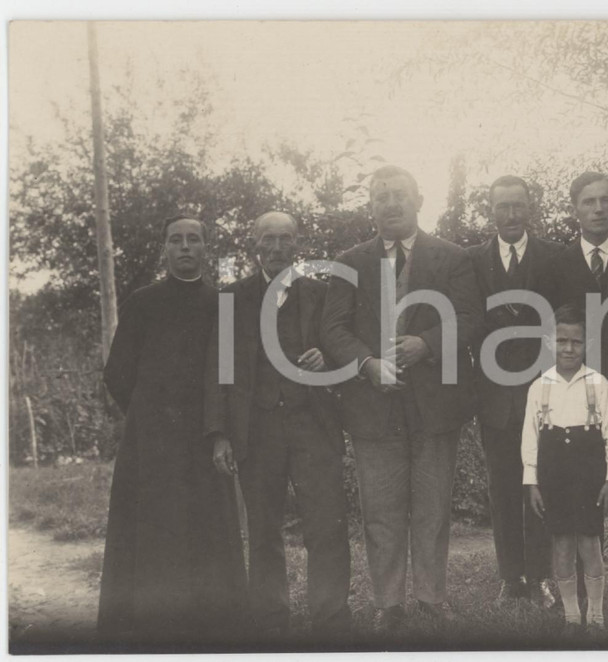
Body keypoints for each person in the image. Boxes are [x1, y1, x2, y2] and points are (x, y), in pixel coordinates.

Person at [321, 165, 484, 632]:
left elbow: (472, 317)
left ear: (418, 201)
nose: (389, 204)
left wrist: (426, 344)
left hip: (436, 405)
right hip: (373, 405)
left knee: (433, 507)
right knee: (382, 510)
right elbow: (333, 327)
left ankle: (432, 598)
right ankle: (388, 603)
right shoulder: (350, 262)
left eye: (398, 195)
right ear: (370, 206)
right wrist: (368, 365)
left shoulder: (451, 257)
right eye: (380, 197)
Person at [204, 211, 351, 642]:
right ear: (255, 243)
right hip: (257, 430)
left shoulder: (321, 294)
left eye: (285, 238)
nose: (276, 247)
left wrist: (328, 357)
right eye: (267, 238)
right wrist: (219, 434)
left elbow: (343, 344)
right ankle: (271, 620)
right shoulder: (232, 298)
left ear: (297, 242)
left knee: (326, 526)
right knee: (264, 530)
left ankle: (331, 620)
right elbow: (218, 370)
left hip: (314, 425)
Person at [98, 215, 245, 647]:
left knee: (206, 530)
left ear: (205, 248)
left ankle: (210, 631)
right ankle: (149, 630)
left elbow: (231, 374)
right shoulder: (144, 302)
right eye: (176, 240)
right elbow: (117, 373)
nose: (184, 247)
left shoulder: (223, 304)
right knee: (153, 529)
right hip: (151, 443)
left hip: (205, 438)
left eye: (193, 240)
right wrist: (149, 416)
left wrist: (216, 428)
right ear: (165, 248)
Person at [545, 171, 608, 611]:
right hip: (573, 391)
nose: (599, 209)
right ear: (575, 210)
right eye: (589, 202)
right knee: (576, 484)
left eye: (606, 200)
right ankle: (582, 585)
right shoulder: (558, 263)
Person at [467, 175, 562, 608]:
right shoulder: (472, 261)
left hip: (544, 391)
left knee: (541, 483)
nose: (510, 214)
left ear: (529, 208)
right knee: (502, 486)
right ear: (491, 210)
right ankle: (511, 577)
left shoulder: (553, 258)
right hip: (494, 396)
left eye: (517, 206)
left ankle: (542, 576)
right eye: (502, 206)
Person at [522, 304, 608, 632]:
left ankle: (596, 613)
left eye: (575, 342)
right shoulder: (540, 387)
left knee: (590, 541)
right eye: (561, 340)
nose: (568, 348)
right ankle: (570, 614)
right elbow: (530, 438)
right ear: (551, 342)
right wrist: (531, 481)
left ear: (586, 344)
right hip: (554, 475)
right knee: (562, 542)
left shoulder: (599, 384)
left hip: (590, 473)